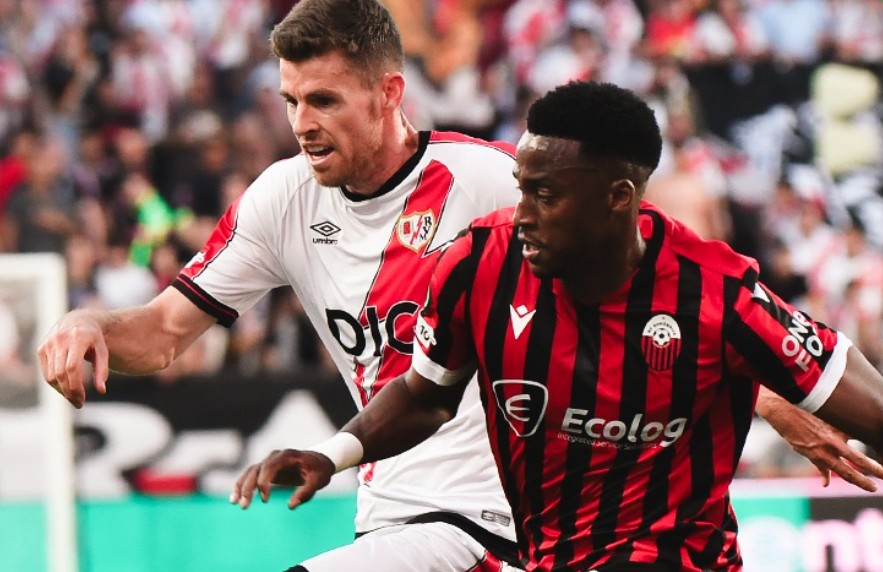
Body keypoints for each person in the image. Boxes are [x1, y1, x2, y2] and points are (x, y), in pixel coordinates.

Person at [38, 2, 878, 570]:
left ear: (388, 94)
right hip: (390, 506)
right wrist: (90, 323)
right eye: (290, 100)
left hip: (490, 516)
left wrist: (768, 391)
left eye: (323, 100)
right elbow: (164, 332)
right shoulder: (280, 199)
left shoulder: (492, 184)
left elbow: (651, 279)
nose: (301, 124)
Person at [230, 81, 883, 572]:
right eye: (521, 188)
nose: (522, 213)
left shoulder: (717, 294)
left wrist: (780, 395)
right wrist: (332, 454)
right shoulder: (479, 264)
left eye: (545, 194)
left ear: (617, 199)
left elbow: (868, 405)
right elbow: (425, 396)